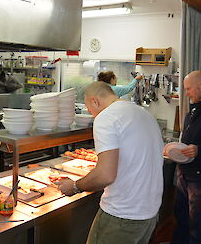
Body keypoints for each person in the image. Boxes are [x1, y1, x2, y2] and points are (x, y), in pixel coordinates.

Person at [57, 81, 163, 244]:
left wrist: (74, 186)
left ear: (95, 101)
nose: (93, 115)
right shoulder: (143, 113)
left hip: (122, 215)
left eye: (91, 111)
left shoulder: (107, 117)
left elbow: (105, 175)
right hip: (149, 213)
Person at [170, 70, 201, 244]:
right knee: (180, 214)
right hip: (184, 172)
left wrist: (199, 150)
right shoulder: (191, 112)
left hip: (198, 176)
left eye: (189, 89)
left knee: (196, 221)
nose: (187, 93)